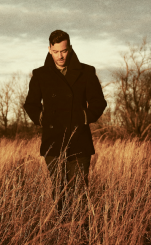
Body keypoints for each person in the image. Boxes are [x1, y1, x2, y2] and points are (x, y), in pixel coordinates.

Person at [24, 30, 107, 220]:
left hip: (79, 139)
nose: (60, 56)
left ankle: (81, 231)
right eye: (55, 51)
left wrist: (84, 117)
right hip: (53, 141)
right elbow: (30, 104)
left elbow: (99, 102)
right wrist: (43, 118)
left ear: (69, 48)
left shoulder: (86, 72)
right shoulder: (40, 74)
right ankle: (61, 229)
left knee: (79, 191)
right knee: (58, 191)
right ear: (49, 49)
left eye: (63, 51)